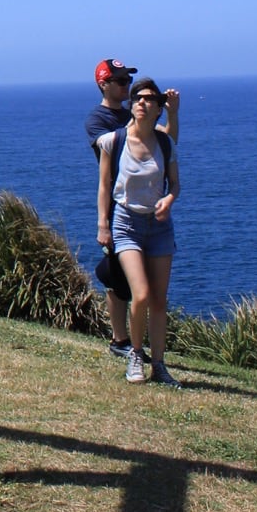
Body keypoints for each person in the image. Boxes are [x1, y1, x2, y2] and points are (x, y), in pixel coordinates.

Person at [85, 59, 180, 359]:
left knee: (135, 283)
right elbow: (108, 157)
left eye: (129, 81)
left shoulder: (134, 112)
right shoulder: (98, 120)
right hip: (119, 207)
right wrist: (102, 223)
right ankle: (120, 340)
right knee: (117, 277)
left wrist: (169, 114)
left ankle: (135, 345)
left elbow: (168, 142)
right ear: (104, 85)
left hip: (144, 207)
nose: (127, 87)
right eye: (121, 81)